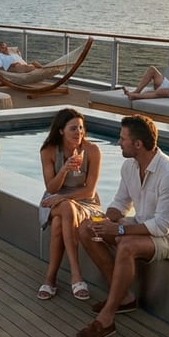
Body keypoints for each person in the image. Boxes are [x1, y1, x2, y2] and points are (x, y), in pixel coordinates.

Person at [76, 115, 169, 337]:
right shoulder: (129, 166)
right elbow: (121, 203)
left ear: (138, 144)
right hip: (144, 223)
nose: (119, 142)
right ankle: (123, 298)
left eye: (123, 139)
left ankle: (107, 318)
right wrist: (104, 221)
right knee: (86, 228)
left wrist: (119, 231)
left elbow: (161, 226)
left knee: (127, 245)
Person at [37, 109, 102, 302]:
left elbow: (89, 191)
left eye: (81, 128)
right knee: (65, 208)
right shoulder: (48, 151)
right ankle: (76, 274)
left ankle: (50, 279)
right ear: (61, 131)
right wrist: (65, 169)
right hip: (54, 200)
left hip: (86, 202)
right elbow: (51, 187)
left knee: (60, 221)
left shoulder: (92, 151)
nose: (79, 133)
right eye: (73, 128)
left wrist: (65, 199)